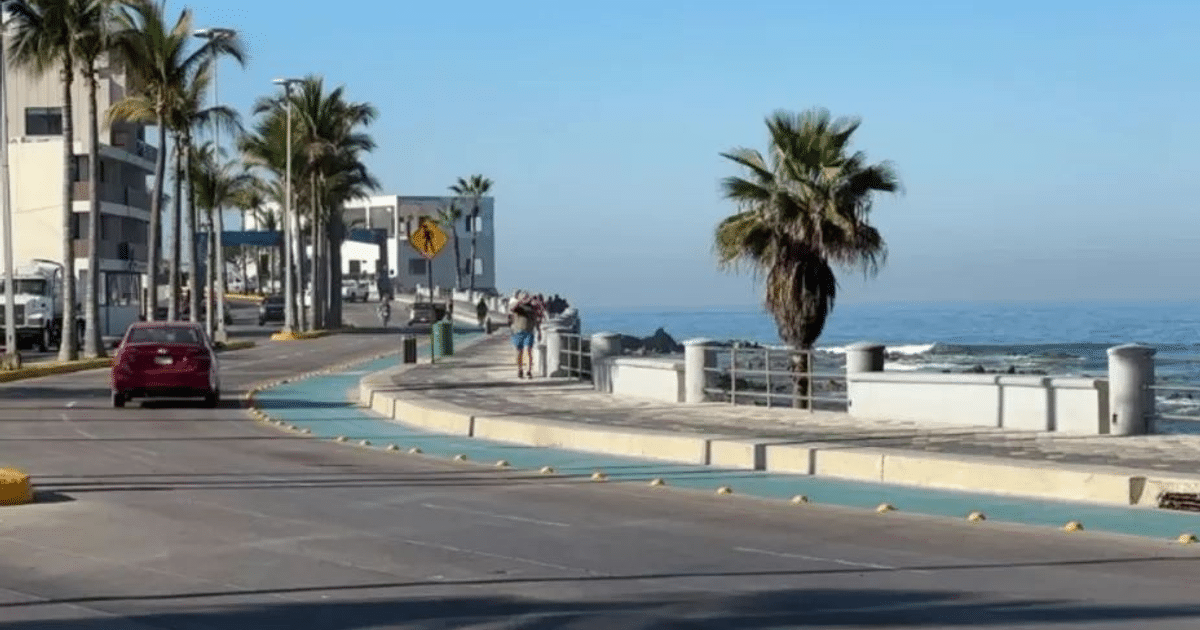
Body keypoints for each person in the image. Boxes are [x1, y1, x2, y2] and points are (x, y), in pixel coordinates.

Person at [509, 290, 542, 379]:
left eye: (527, 297)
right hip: (518, 331)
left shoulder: (533, 307)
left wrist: (539, 331)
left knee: (529, 351)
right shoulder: (518, 306)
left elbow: (537, 318)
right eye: (524, 297)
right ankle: (520, 369)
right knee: (519, 351)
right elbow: (512, 309)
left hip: (529, 331)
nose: (526, 298)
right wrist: (520, 301)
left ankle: (529, 371)